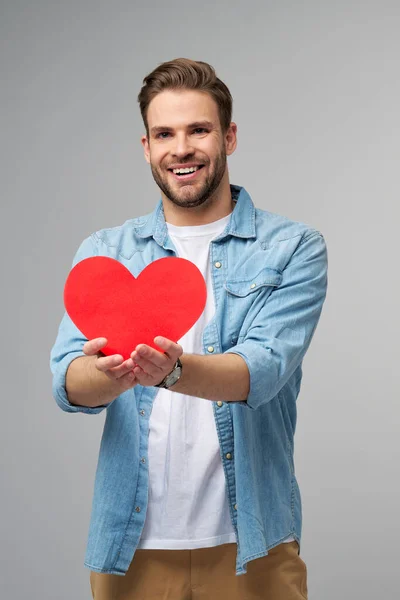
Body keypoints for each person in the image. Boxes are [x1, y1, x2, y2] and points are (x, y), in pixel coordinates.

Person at [50, 57, 327, 600]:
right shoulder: (106, 252)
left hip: (254, 547)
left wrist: (172, 371)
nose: (182, 148)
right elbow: (66, 382)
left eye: (199, 130)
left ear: (229, 136)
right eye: (164, 133)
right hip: (130, 547)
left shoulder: (293, 248)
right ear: (147, 147)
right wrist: (109, 375)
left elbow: (262, 371)